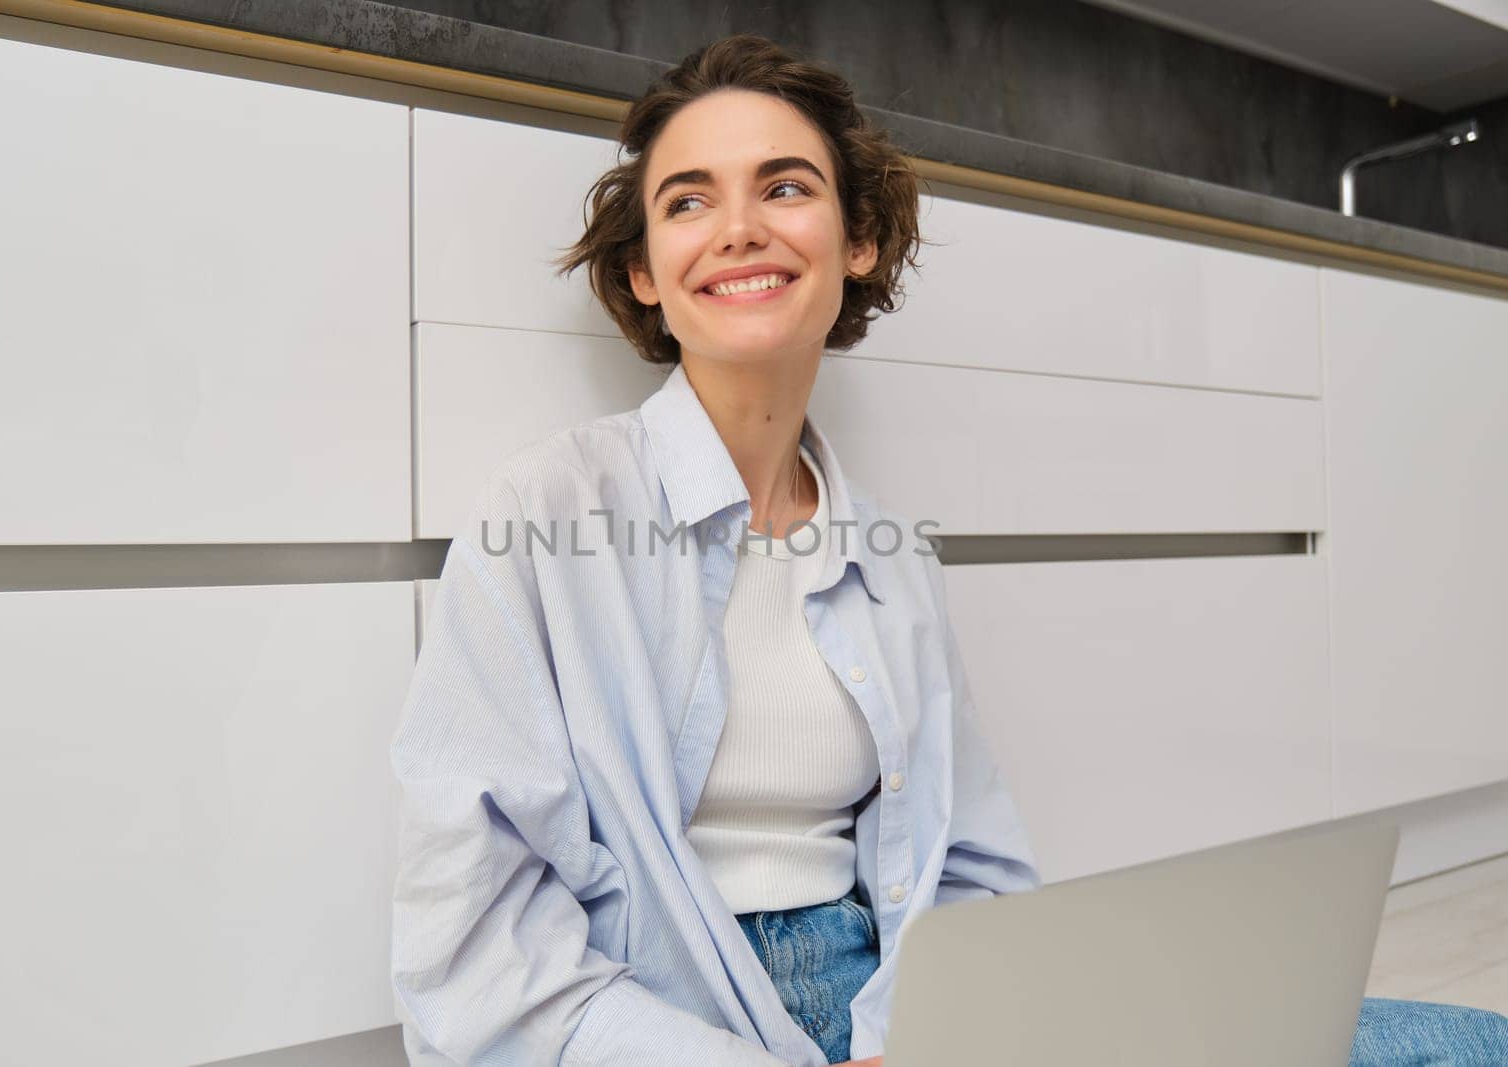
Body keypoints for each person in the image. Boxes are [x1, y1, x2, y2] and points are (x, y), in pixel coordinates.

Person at [390, 32, 1508, 1067]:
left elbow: (969, 867)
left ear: (856, 240)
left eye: (786, 186)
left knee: (1455, 1042)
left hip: (902, 1011)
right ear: (643, 271)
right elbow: (478, 957)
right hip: (662, 1021)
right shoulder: (545, 517)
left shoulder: (886, 555)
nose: (739, 227)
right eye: (689, 201)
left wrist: (906, 1034)